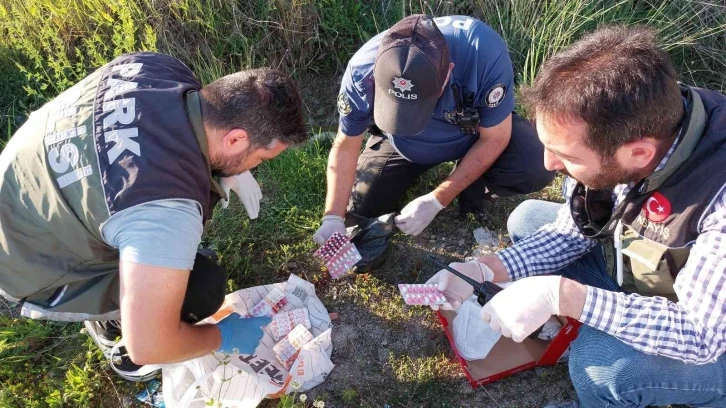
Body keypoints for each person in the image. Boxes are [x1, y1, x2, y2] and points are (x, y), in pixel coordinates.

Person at [429, 25, 726, 407]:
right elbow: (575, 231)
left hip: (711, 341)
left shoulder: (717, 201)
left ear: (638, 154)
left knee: (601, 366)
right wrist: (487, 269)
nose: (548, 165)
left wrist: (565, 296)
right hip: (650, 273)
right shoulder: (637, 118)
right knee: (526, 220)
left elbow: (700, 336)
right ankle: (598, 327)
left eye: (567, 157)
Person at [0, 52, 309, 381]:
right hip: (27, 262)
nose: (257, 167)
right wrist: (224, 336)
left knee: (166, 255)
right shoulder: (165, 210)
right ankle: (112, 331)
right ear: (235, 139)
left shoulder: (157, 67)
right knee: (201, 288)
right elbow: (149, 344)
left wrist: (228, 172)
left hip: (22, 187)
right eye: (260, 158)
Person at [313, 14, 554, 245]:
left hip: (471, 135)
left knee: (534, 164)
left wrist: (437, 200)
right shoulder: (361, 70)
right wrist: (333, 215)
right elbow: (346, 145)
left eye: (417, 106)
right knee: (363, 207)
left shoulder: (482, 51)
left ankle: (472, 190)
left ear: (448, 71)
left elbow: (495, 138)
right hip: (401, 144)